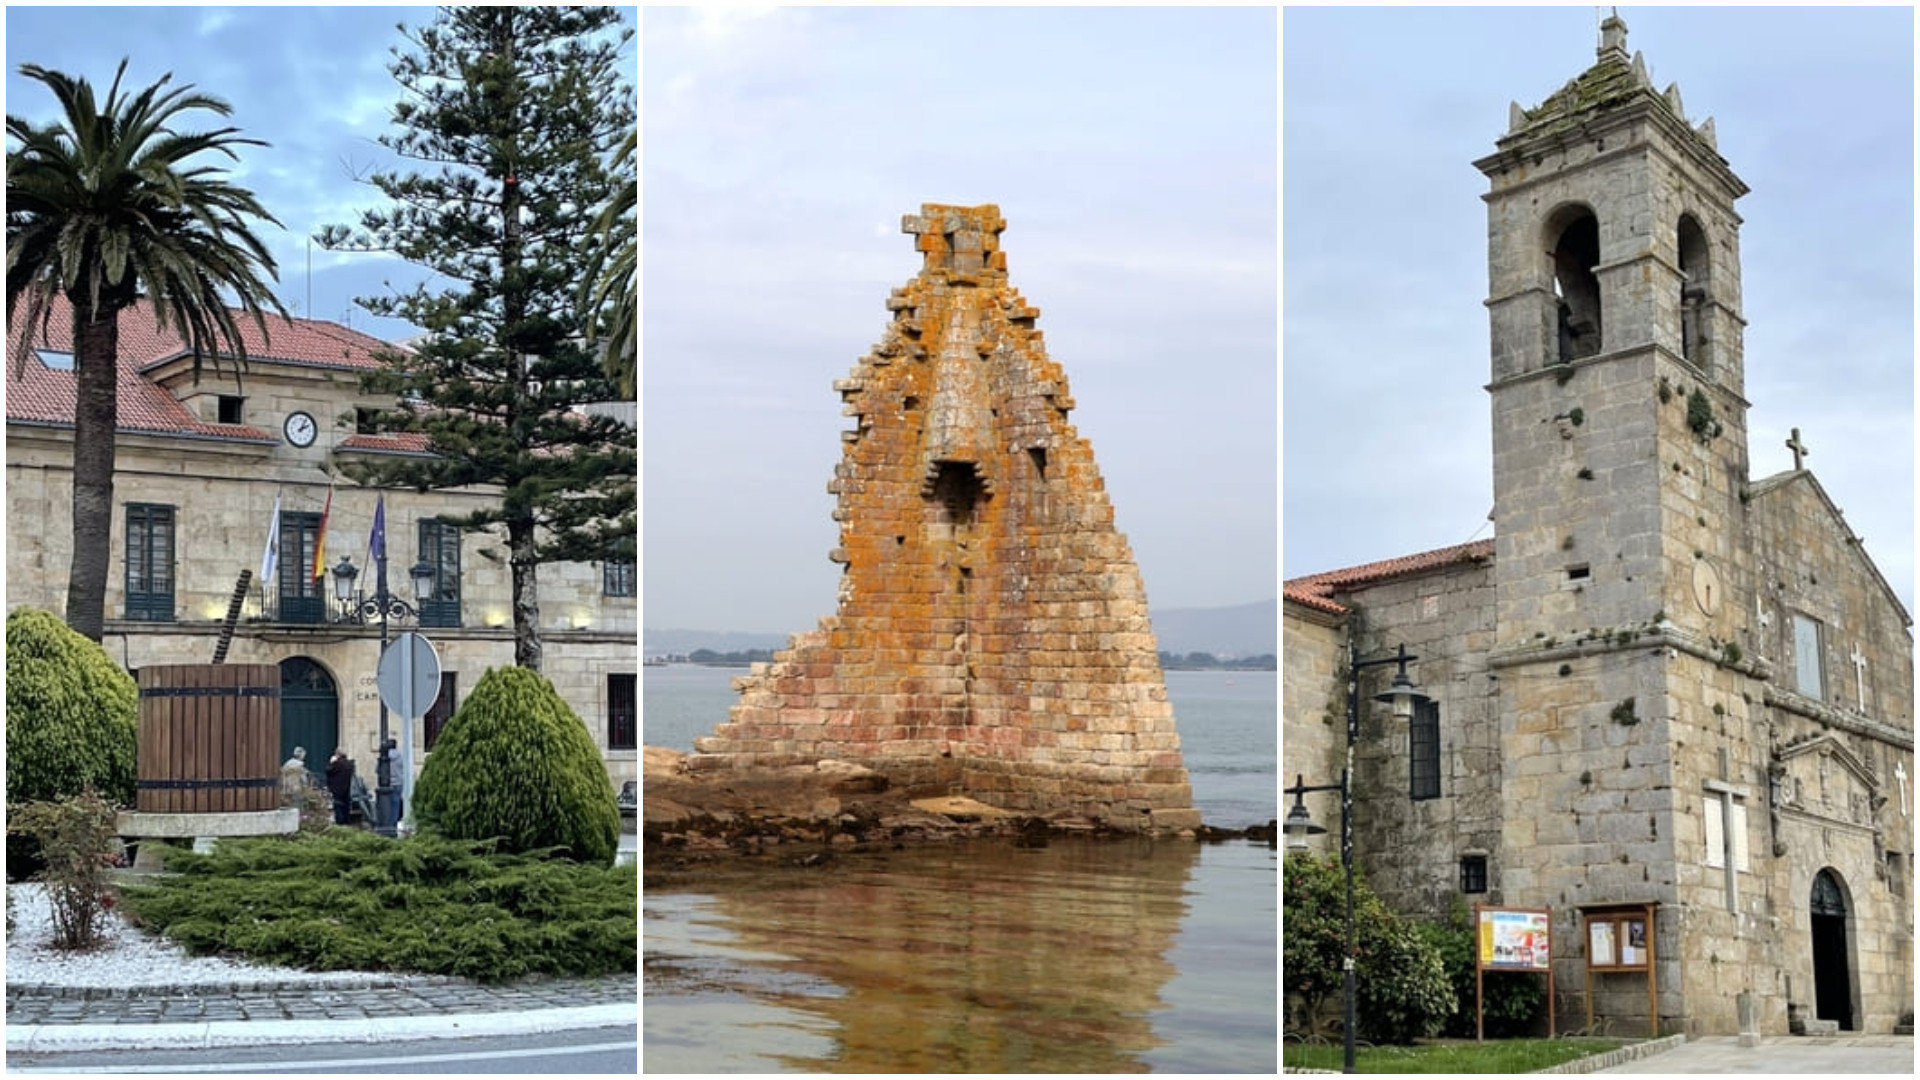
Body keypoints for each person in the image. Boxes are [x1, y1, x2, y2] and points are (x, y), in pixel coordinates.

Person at [326, 748, 355, 826]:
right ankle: (347, 821)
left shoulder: (337, 764)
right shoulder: (349, 764)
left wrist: (331, 763)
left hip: (336, 788)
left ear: (338, 755)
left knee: (338, 805)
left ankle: (340, 822)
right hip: (347, 787)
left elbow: (329, 771)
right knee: (346, 805)